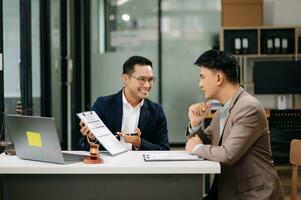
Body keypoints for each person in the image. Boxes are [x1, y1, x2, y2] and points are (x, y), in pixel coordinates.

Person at [185, 49, 284, 200]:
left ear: (219, 78)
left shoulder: (248, 107)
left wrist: (197, 148)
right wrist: (196, 124)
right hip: (229, 189)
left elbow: (227, 154)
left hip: (254, 195)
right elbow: (209, 142)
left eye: (203, 77)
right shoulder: (223, 109)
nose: (200, 84)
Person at [80, 55, 169, 151]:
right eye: (142, 79)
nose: (147, 85)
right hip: (110, 164)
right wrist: (92, 137)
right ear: (125, 79)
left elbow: (164, 149)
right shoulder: (103, 104)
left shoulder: (156, 111)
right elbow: (83, 146)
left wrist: (139, 142)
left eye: (150, 79)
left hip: (140, 164)